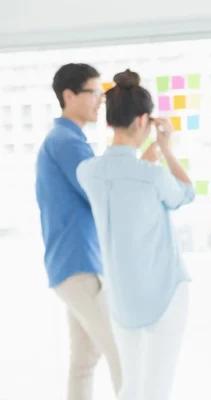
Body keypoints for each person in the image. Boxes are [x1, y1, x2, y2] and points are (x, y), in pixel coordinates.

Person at [76, 69, 194, 400]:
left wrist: (147, 158)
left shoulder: (87, 173)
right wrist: (166, 148)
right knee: (157, 389)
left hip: (122, 298)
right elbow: (186, 193)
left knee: (132, 389)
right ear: (143, 121)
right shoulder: (151, 176)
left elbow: (120, 176)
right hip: (166, 292)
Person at [35, 63, 122, 400]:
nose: (100, 100)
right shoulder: (67, 142)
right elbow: (99, 194)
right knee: (121, 354)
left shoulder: (64, 140)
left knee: (85, 361)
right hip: (79, 265)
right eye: (93, 92)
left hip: (71, 265)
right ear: (69, 95)